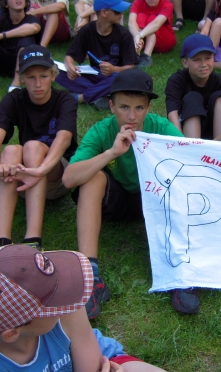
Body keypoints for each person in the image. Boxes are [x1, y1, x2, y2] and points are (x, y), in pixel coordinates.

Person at [61, 68, 187, 319]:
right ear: (111, 106)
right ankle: (91, 275)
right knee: (92, 178)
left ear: (149, 108)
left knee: (177, 178)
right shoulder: (102, 131)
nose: (132, 116)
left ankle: (181, 268)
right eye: (124, 107)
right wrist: (111, 153)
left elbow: (190, 159)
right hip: (116, 201)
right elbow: (68, 178)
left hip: (153, 201)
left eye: (139, 108)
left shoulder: (161, 128)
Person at [0, 244, 168, 372]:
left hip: (104, 363)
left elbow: (93, 366)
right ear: (12, 333)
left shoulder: (66, 304)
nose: (65, 303)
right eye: (53, 302)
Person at [0, 46, 78, 251]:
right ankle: (1, 242)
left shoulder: (65, 100)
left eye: (43, 76)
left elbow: (64, 138)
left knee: (33, 147)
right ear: (21, 78)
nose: (38, 84)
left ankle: (33, 239)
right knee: (10, 151)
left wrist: (41, 170)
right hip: (23, 176)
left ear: (53, 75)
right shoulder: (14, 99)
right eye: (31, 77)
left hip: (56, 175)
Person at [56, 0, 137, 111]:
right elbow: (70, 56)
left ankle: (81, 97)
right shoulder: (87, 30)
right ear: (104, 12)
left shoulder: (124, 35)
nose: (121, 14)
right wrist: (70, 67)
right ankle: (107, 94)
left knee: (123, 78)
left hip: (115, 76)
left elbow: (130, 68)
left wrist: (113, 69)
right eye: (117, 11)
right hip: (94, 74)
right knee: (56, 70)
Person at [165, 34, 221, 141]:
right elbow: (173, 115)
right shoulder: (176, 81)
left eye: (208, 58)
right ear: (185, 63)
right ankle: (191, 146)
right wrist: (180, 141)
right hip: (187, 137)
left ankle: (220, 149)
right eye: (197, 60)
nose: (203, 64)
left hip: (220, 137)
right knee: (192, 98)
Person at [128, 0, 176, 68]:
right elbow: (131, 22)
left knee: (152, 19)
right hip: (144, 39)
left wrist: (139, 35)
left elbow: (156, 24)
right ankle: (137, 51)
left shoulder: (167, 4)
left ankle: (147, 56)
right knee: (141, 17)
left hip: (164, 42)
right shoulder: (137, 2)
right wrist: (137, 36)